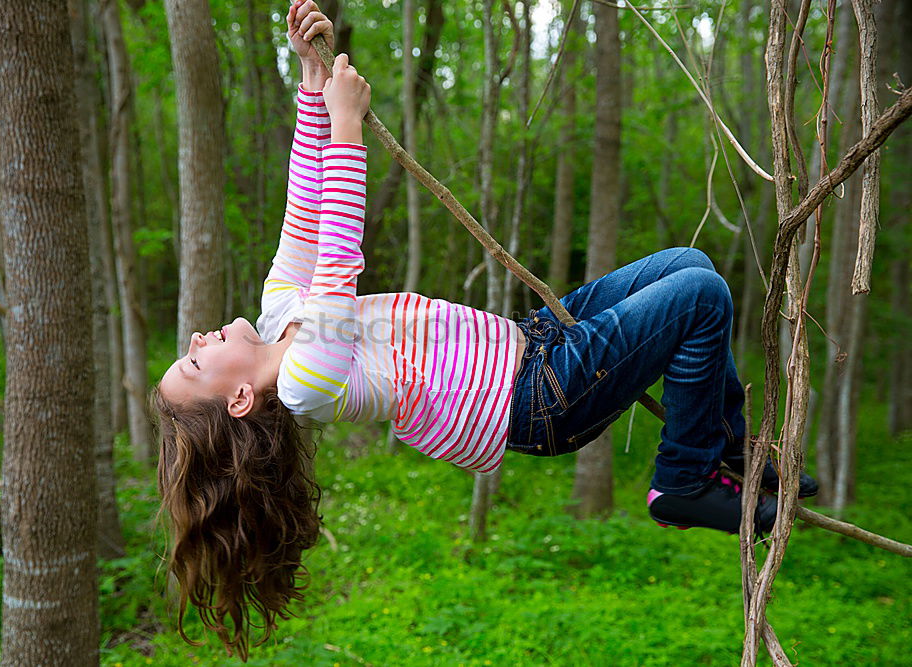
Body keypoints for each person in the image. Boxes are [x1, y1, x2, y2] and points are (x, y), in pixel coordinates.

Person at [151, 1, 817, 659]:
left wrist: (313, 82)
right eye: (193, 364)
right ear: (238, 399)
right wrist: (347, 129)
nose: (197, 340)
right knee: (702, 295)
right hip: (538, 397)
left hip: (534, 341)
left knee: (687, 264)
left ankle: (724, 446)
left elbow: (305, 206)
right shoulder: (305, 383)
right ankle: (681, 477)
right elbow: (337, 258)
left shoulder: (277, 314)